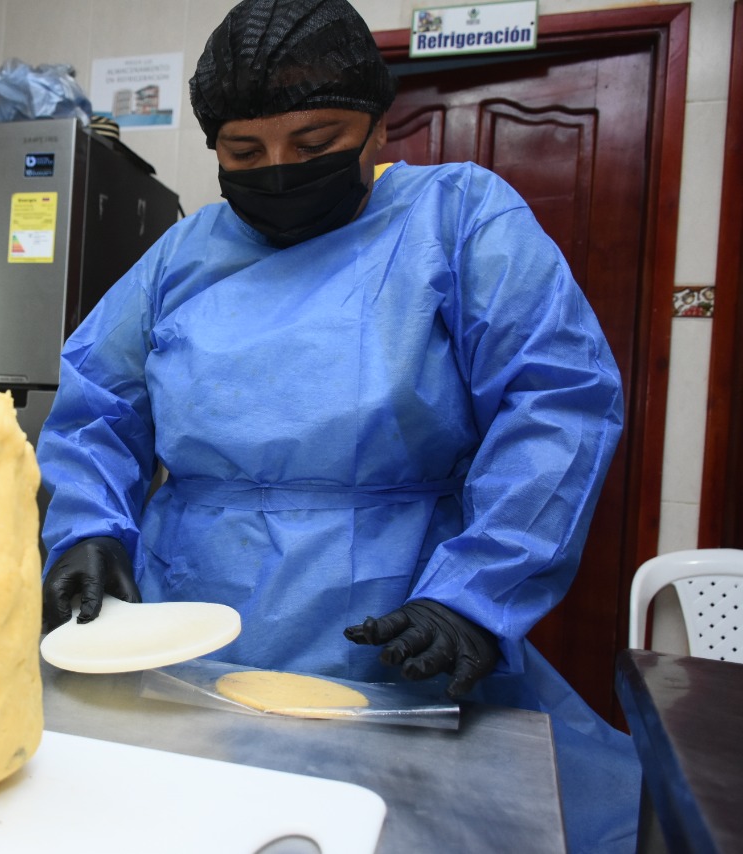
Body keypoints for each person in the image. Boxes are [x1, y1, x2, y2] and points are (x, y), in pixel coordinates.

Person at [36, 0, 640, 851]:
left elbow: (557, 404)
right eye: (243, 153)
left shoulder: (461, 219)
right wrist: (89, 530)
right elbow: (98, 403)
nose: (277, 171)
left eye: (315, 145)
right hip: (191, 622)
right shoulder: (184, 255)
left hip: (399, 625)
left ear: (377, 129)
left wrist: (475, 595)